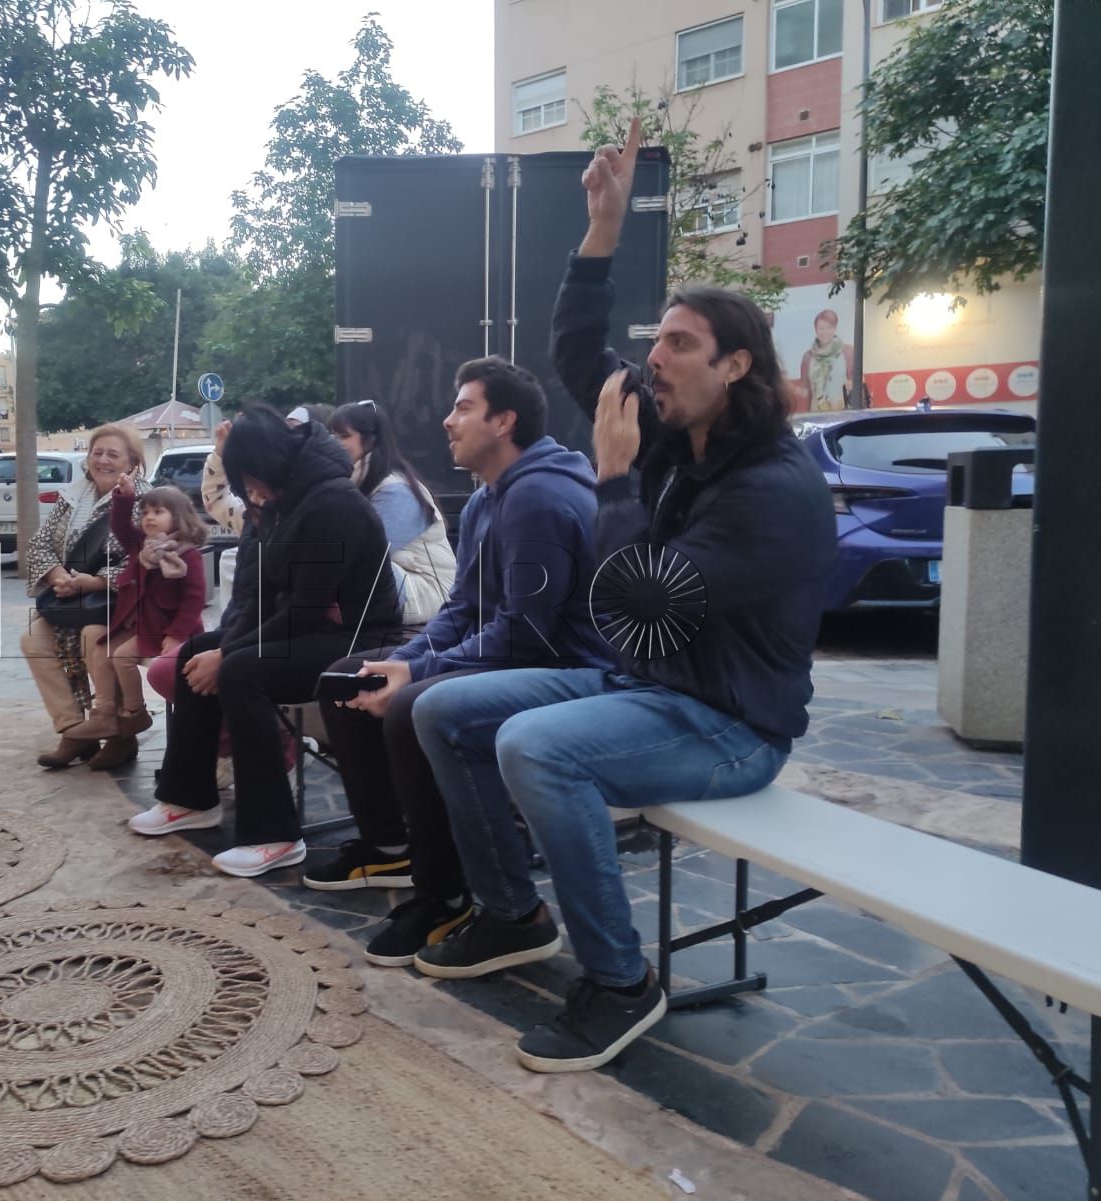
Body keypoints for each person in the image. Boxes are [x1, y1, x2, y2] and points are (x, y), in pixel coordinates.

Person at [407, 124, 836, 1073]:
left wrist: (611, 480)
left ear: (735, 366)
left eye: (680, 345)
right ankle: (513, 914)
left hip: (731, 725)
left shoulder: (772, 491)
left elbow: (642, 603)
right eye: (657, 342)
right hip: (647, 689)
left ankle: (620, 981)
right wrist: (602, 229)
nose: (655, 360)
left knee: (534, 746)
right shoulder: (682, 433)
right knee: (441, 707)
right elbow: (574, 349)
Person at [310, 361, 619, 967]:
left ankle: (455, 897)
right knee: (348, 679)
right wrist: (405, 660)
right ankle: (392, 848)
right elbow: (464, 608)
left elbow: (525, 632)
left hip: (572, 670)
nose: (447, 421)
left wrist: (419, 675)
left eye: (463, 408)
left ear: (504, 422)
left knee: (415, 708)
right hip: (520, 654)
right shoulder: (485, 499)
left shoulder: (541, 495)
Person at [129, 406, 403, 878]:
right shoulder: (281, 502)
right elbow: (260, 597)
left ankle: (274, 834)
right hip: (308, 627)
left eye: (249, 481)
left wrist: (229, 654)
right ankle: (190, 798)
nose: (249, 493)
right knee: (194, 652)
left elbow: (306, 608)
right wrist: (221, 646)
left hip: (356, 635)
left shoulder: (332, 504)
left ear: (266, 465)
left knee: (241, 672)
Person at [20, 422, 150, 771]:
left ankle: (121, 734)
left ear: (132, 462)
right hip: (71, 597)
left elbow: (142, 560)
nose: (103, 460)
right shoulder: (73, 496)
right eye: (97, 452)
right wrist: (59, 576)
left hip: (118, 603)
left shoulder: (144, 500)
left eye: (113, 454)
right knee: (33, 640)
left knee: (95, 640)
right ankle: (75, 730)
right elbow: (39, 544)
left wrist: (93, 582)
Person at [72, 476, 208, 742]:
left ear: (178, 517)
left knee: (121, 657)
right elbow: (121, 526)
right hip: (141, 623)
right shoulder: (142, 546)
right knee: (102, 651)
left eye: (158, 512)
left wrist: (176, 635)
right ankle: (104, 712)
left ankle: (134, 712)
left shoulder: (188, 554)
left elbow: (194, 600)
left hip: (165, 629)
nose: (149, 517)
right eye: (145, 512)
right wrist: (124, 497)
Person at [328, 399, 455, 628]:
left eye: (343, 436)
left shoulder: (396, 491)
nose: (333, 443)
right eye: (332, 435)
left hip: (426, 591)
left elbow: (365, 555)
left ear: (370, 441)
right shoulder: (359, 482)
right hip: (399, 585)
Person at [798, 309, 854, 412]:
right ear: (815, 329)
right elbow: (805, 392)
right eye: (821, 328)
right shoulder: (808, 357)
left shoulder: (847, 351)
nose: (825, 332)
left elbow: (856, 383)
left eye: (829, 328)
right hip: (816, 414)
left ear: (835, 328)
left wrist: (851, 385)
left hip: (842, 414)